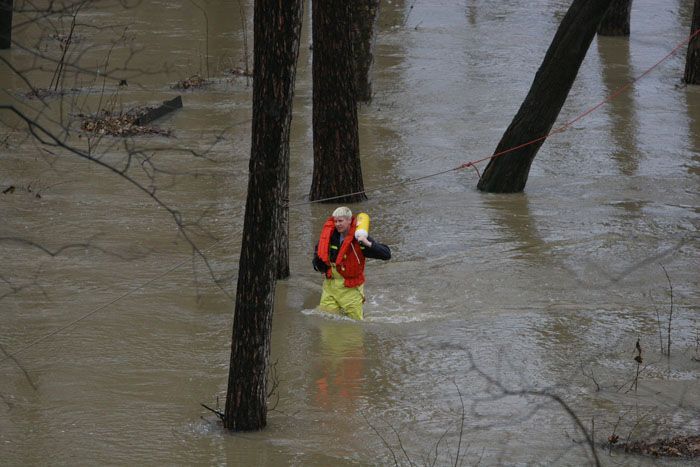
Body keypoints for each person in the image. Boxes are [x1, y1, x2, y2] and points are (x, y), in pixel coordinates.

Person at [312, 206, 391, 320]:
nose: (338, 224)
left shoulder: (360, 237)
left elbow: (386, 254)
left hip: (351, 289)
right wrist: (317, 264)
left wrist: (367, 243)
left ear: (349, 220)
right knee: (327, 321)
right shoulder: (329, 236)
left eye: (341, 221)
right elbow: (318, 254)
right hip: (330, 287)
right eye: (336, 221)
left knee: (354, 327)